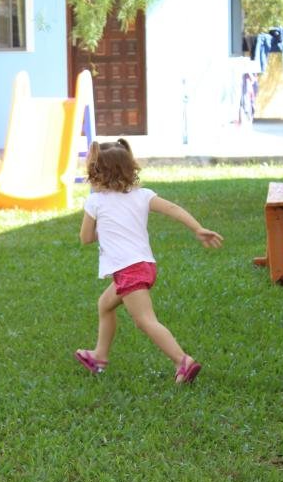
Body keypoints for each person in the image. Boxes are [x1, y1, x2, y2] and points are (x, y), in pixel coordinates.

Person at [75, 139, 223, 384]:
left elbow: (85, 238)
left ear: (96, 173)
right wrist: (197, 228)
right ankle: (99, 356)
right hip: (143, 265)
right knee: (105, 305)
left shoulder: (95, 202)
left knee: (144, 320)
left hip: (128, 270)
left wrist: (104, 228)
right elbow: (173, 208)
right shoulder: (143, 195)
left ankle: (182, 361)